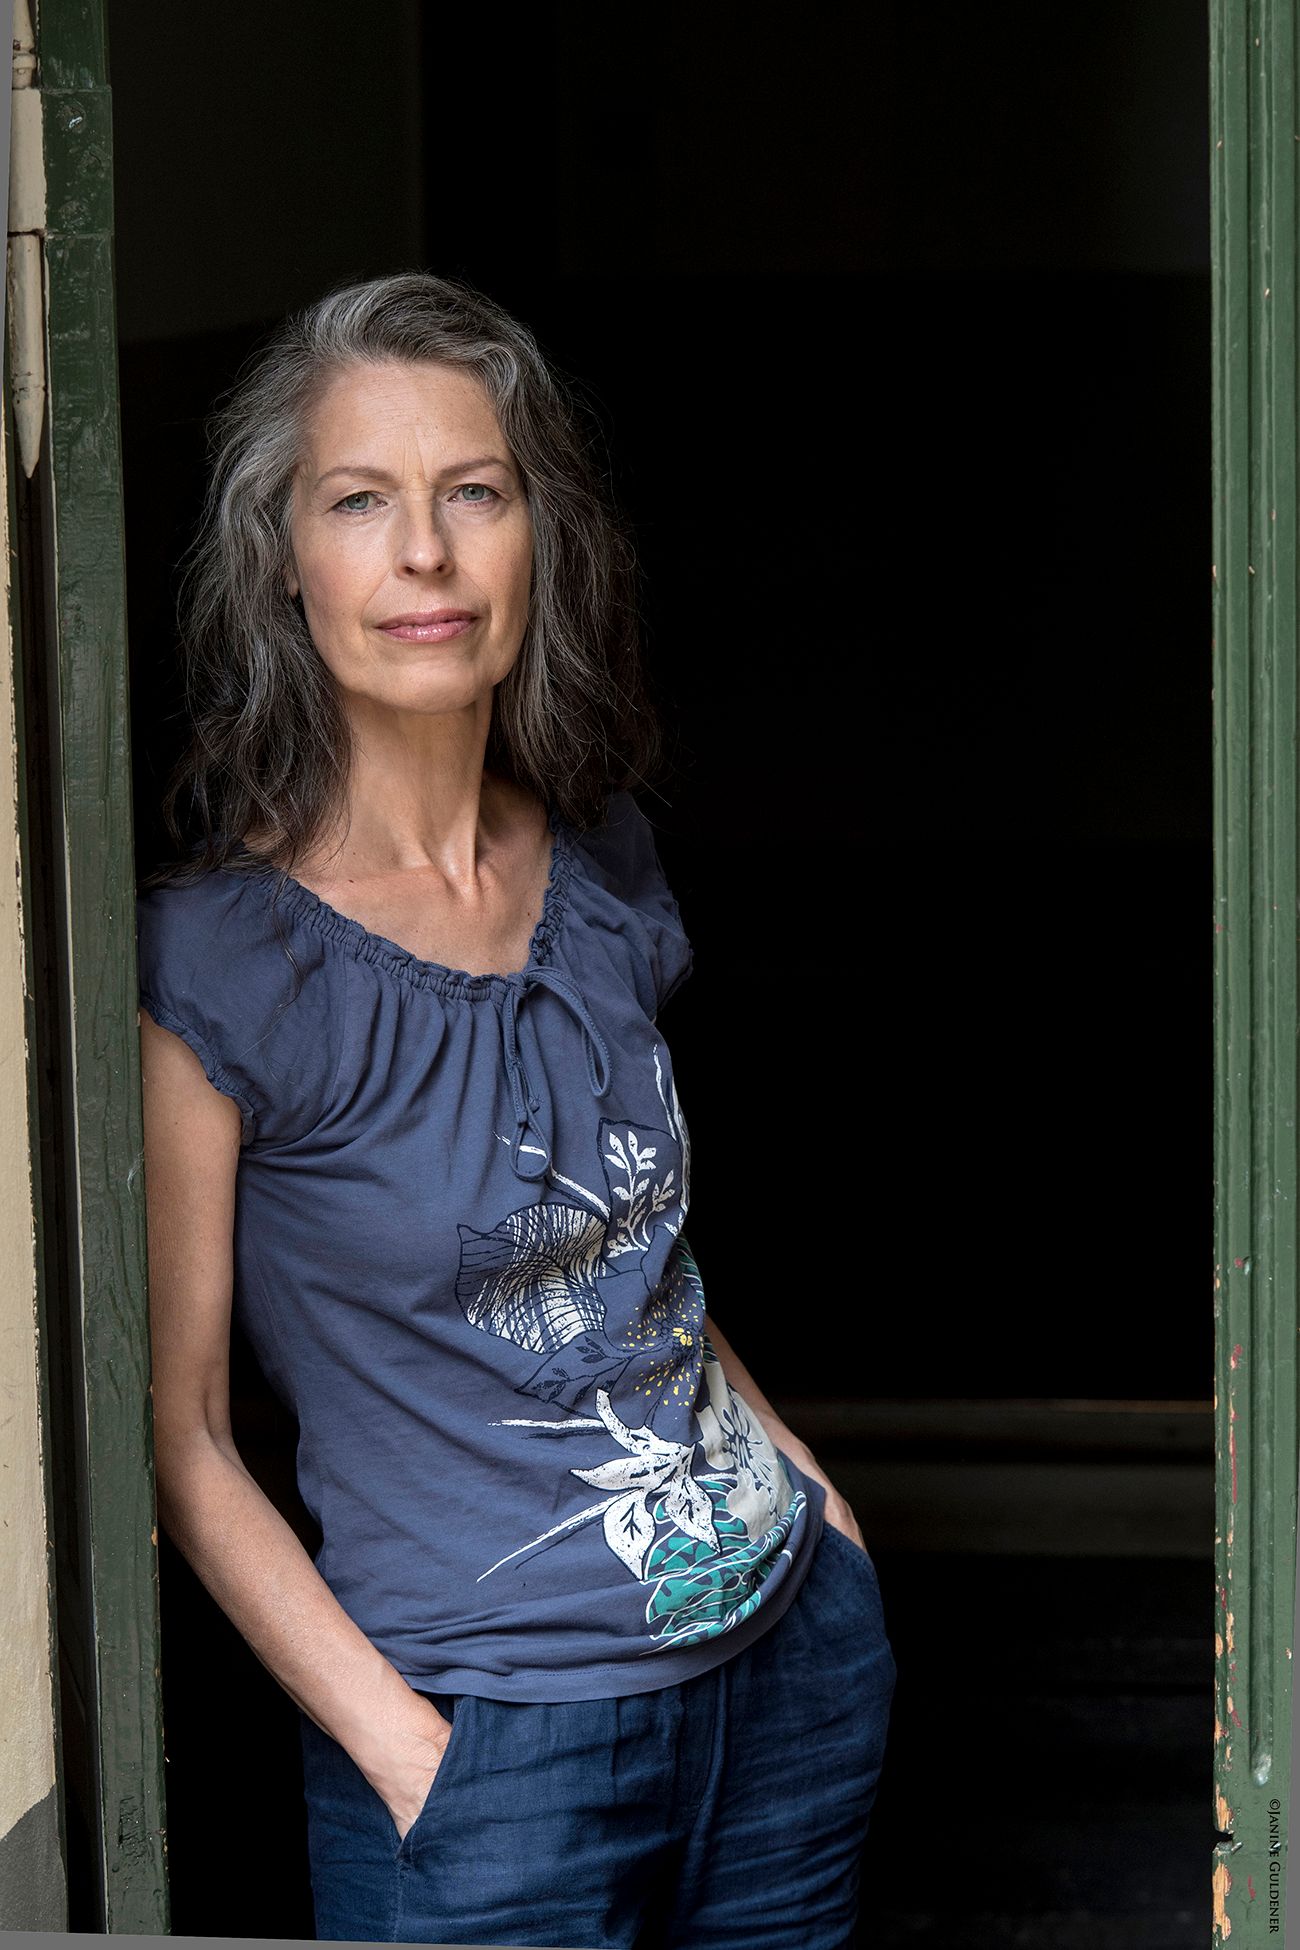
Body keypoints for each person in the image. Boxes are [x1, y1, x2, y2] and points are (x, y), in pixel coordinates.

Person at [136, 271, 896, 1949]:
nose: (425, 551)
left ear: (535, 536)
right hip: (488, 1760)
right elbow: (180, 1434)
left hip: (783, 1681)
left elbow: (636, 1249)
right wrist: (415, 1760)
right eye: (361, 500)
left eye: (472, 491)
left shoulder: (602, 859)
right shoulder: (219, 963)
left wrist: (816, 1506)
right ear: (283, 559)